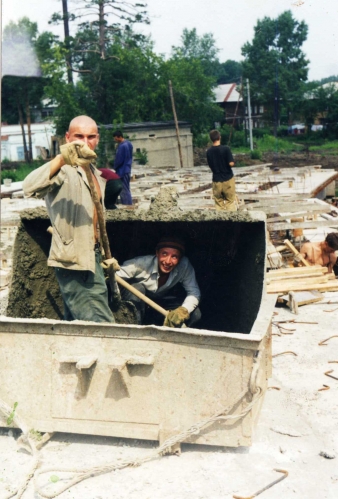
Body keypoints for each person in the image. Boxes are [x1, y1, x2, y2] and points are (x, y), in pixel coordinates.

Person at [22, 115, 115, 324]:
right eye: (78, 136)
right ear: (67, 138)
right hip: (74, 262)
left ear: (97, 139)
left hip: (93, 256)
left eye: (90, 137)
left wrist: (103, 254)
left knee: (77, 323)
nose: (84, 142)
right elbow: (28, 187)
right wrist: (61, 159)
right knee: (101, 325)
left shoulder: (95, 173)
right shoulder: (63, 170)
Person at [116, 236, 201, 328]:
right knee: (137, 288)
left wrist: (183, 311)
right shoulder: (139, 264)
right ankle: (133, 328)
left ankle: (168, 335)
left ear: (180, 259)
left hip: (161, 301)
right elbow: (113, 276)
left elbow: (194, 292)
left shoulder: (184, 266)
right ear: (157, 253)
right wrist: (109, 271)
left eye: (174, 256)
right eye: (164, 254)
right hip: (137, 301)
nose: (168, 261)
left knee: (195, 314)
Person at [206, 129, 237, 211]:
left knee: (218, 203)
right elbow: (231, 163)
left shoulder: (208, 152)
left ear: (211, 139)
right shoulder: (226, 149)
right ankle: (231, 222)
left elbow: (210, 166)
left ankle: (221, 222)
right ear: (220, 137)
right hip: (228, 179)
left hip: (216, 181)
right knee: (230, 202)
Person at [113, 130, 133, 205]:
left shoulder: (122, 146)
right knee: (126, 188)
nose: (115, 140)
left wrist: (115, 167)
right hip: (127, 169)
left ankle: (127, 205)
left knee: (123, 189)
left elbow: (119, 160)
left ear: (119, 137)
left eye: (116, 138)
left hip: (122, 170)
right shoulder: (129, 144)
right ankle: (129, 203)